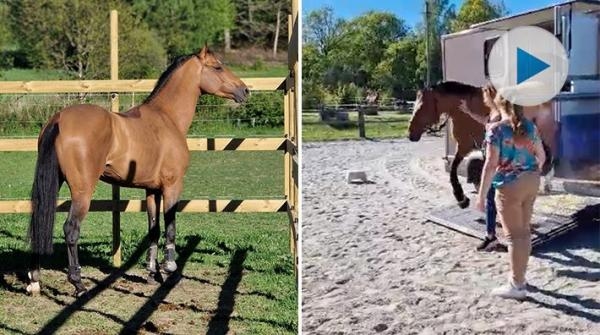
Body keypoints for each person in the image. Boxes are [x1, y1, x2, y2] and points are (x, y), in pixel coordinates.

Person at [476, 92, 546, 300]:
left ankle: (517, 285)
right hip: (532, 180)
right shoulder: (530, 126)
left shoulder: (496, 130)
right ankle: (520, 277)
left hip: (509, 185)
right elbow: (541, 156)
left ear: (500, 103)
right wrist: (530, 171)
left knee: (514, 236)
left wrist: (480, 196)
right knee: (524, 232)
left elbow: (489, 165)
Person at [458, 84, 501, 251]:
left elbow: (492, 127)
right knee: (494, 200)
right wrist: (468, 112)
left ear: (490, 96)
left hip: (497, 164)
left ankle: (492, 236)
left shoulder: (499, 116)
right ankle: (492, 235)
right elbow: (484, 121)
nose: (483, 99)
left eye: (485, 95)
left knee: (492, 199)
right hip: (493, 161)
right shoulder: (494, 114)